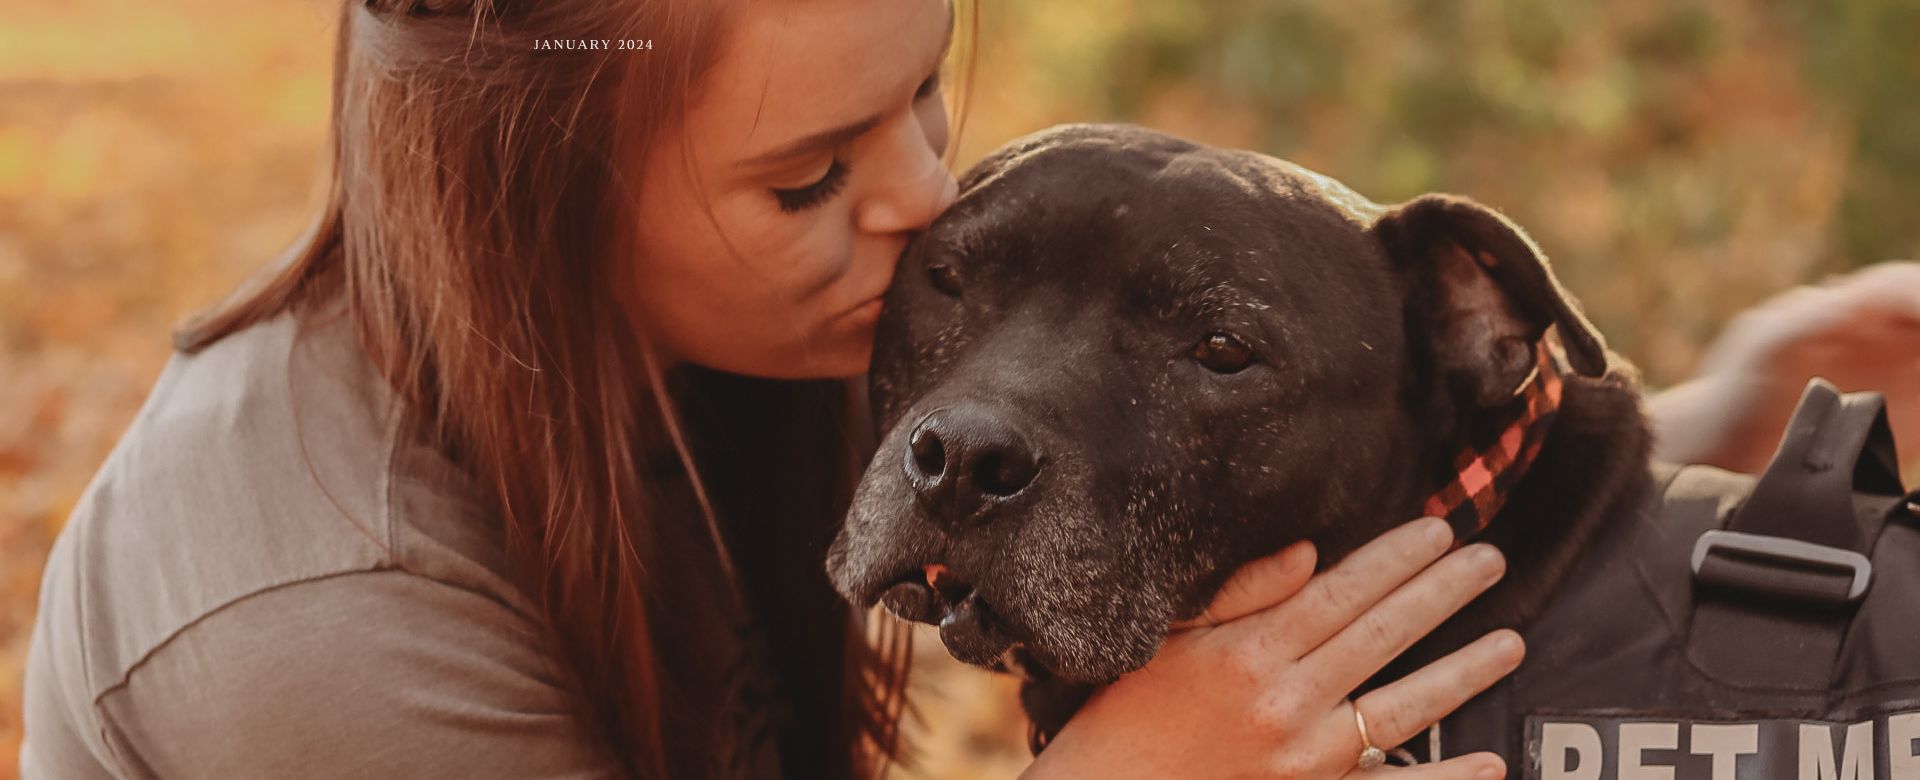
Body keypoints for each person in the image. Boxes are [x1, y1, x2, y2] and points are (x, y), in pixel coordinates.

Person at [18, 0, 1912, 776]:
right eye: (809, 175)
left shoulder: (763, 324)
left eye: (924, 93)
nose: (926, 203)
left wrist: (1666, 483)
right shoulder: (322, 637)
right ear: (534, 201)